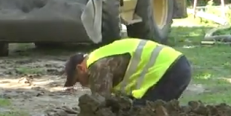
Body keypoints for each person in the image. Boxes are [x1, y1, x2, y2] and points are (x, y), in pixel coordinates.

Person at [63, 38, 192, 105]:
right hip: (177, 67)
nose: (82, 85)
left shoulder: (97, 66)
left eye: (78, 80)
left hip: (170, 71)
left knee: (144, 113)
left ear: (80, 68)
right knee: (149, 110)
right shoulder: (101, 55)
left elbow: (100, 103)